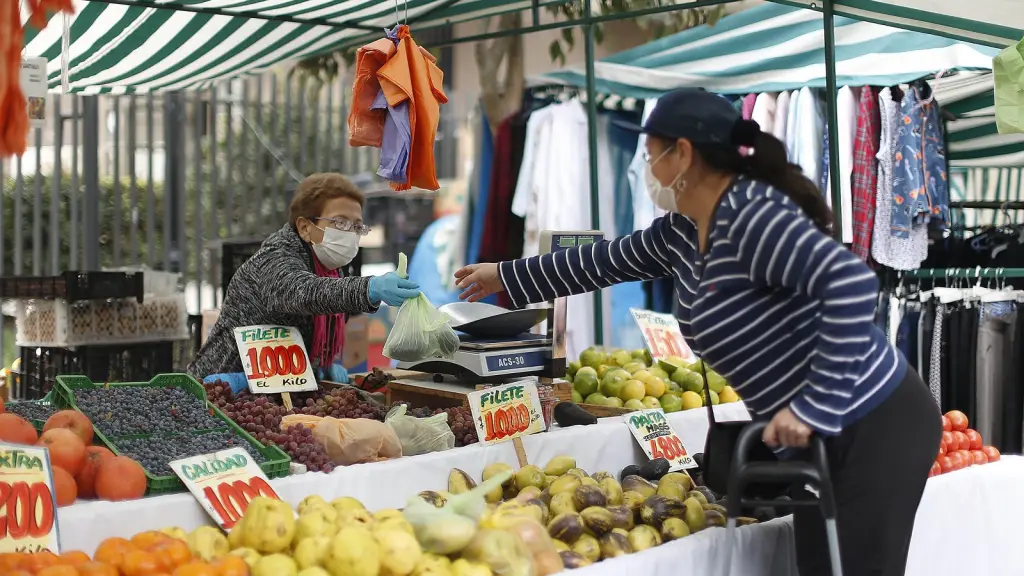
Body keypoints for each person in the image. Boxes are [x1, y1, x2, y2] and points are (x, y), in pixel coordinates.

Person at [454, 89, 941, 576]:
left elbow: (852, 285)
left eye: (650, 154)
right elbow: (599, 263)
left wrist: (813, 405)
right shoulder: (681, 232)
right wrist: (506, 275)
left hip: (874, 420)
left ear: (682, 153)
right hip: (819, 437)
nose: (646, 168)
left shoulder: (752, 213)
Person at [189, 173, 420, 390]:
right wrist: (369, 288)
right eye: (340, 223)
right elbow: (303, 292)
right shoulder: (275, 257)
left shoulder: (330, 268)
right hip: (222, 387)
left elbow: (331, 299)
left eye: (357, 226)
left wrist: (318, 365)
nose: (350, 233)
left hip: (280, 389)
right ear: (305, 227)